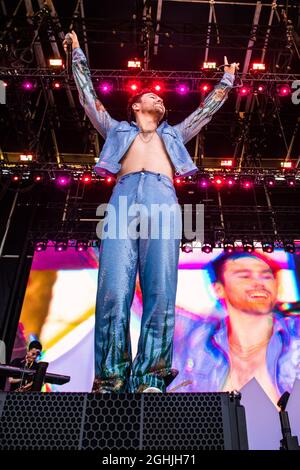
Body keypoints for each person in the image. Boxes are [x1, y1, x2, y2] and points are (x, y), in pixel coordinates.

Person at [64, 30, 239, 393]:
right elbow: (87, 95)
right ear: (135, 106)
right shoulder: (114, 128)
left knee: (161, 290)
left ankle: (149, 377)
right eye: (151, 96)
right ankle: (111, 377)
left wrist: (228, 79)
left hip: (163, 200)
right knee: (113, 291)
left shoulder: (174, 134)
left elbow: (205, 111)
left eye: (161, 98)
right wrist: (78, 53)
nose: (158, 99)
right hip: (123, 199)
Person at [171, 252, 300, 404]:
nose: (259, 283)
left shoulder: (295, 335)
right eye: (245, 276)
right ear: (219, 289)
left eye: (266, 276)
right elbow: (150, 300)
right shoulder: (196, 339)